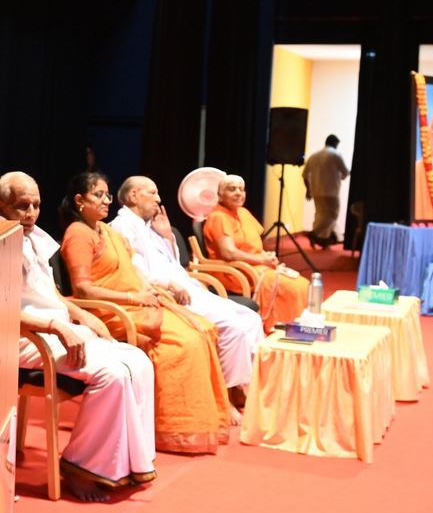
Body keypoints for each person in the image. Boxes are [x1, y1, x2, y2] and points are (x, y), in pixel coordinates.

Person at [0, 172, 157, 502]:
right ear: (0, 206)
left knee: (138, 361)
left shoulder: (34, 238)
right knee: (112, 375)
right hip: (25, 338)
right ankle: (81, 467)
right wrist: (59, 327)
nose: (31, 213)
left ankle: (124, 466)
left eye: (36, 205)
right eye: (22, 206)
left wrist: (81, 314)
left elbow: (49, 294)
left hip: (58, 329)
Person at [58, 172, 235, 454]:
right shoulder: (78, 234)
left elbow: (132, 270)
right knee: (184, 344)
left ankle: (203, 419)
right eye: (98, 195)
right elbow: (83, 290)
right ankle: (172, 428)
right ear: (80, 200)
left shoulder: (106, 231)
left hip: (136, 303)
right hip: (111, 313)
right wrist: (133, 297)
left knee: (202, 328)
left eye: (107, 194)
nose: (107, 200)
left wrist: (148, 289)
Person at [110, 176, 264, 410]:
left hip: (187, 287)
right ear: (133, 196)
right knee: (234, 327)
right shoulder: (122, 227)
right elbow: (134, 271)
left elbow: (172, 262)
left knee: (251, 319)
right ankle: (225, 394)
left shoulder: (148, 225)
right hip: (167, 294)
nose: (158, 199)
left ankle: (240, 384)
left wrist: (167, 236)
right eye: (152, 193)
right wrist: (170, 284)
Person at [203, 175, 309, 333]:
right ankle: (283, 328)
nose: (238, 193)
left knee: (302, 284)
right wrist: (261, 260)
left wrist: (267, 257)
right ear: (220, 195)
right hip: (235, 272)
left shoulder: (243, 212)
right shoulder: (218, 217)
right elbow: (229, 253)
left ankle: (291, 326)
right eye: (232, 189)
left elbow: (254, 245)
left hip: (255, 266)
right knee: (294, 287)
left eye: (241, 189)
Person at [302, 134, 349, 247]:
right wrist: (341, 176)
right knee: (333, 215)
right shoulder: (336, 154)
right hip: (331, 191)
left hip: (316, 191)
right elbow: (345, 172)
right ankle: (314, 234)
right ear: (335, 144)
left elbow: (304, 175)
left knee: (320, 215)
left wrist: (308, 190)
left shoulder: (314, 156)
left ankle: (323, 241)